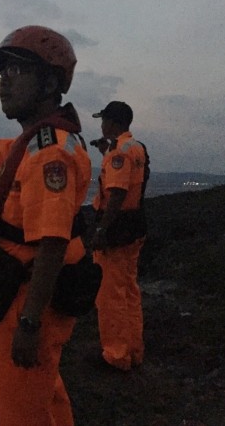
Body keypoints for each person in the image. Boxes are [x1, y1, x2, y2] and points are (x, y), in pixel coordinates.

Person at [0, 25, 92, 425]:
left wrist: (29, 323)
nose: (3, 84)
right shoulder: (28, 145)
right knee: (43, 395)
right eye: (1, 74)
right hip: (26, 293)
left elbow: (52, 242)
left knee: (21, 413)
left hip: (30, 299)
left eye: (16, 72)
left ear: (49, 81)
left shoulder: (51, 154)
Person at [89, 101, 149, 372]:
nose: (101, 125)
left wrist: (102, 229)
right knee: (129, 290)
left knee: (110, 294)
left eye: (104, 121)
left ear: (113, 123)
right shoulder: (135, 148)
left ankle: (116, 355)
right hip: (134, 226)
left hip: (117, 231)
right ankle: (134, 349)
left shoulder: (118, 153)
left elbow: (117, 192)